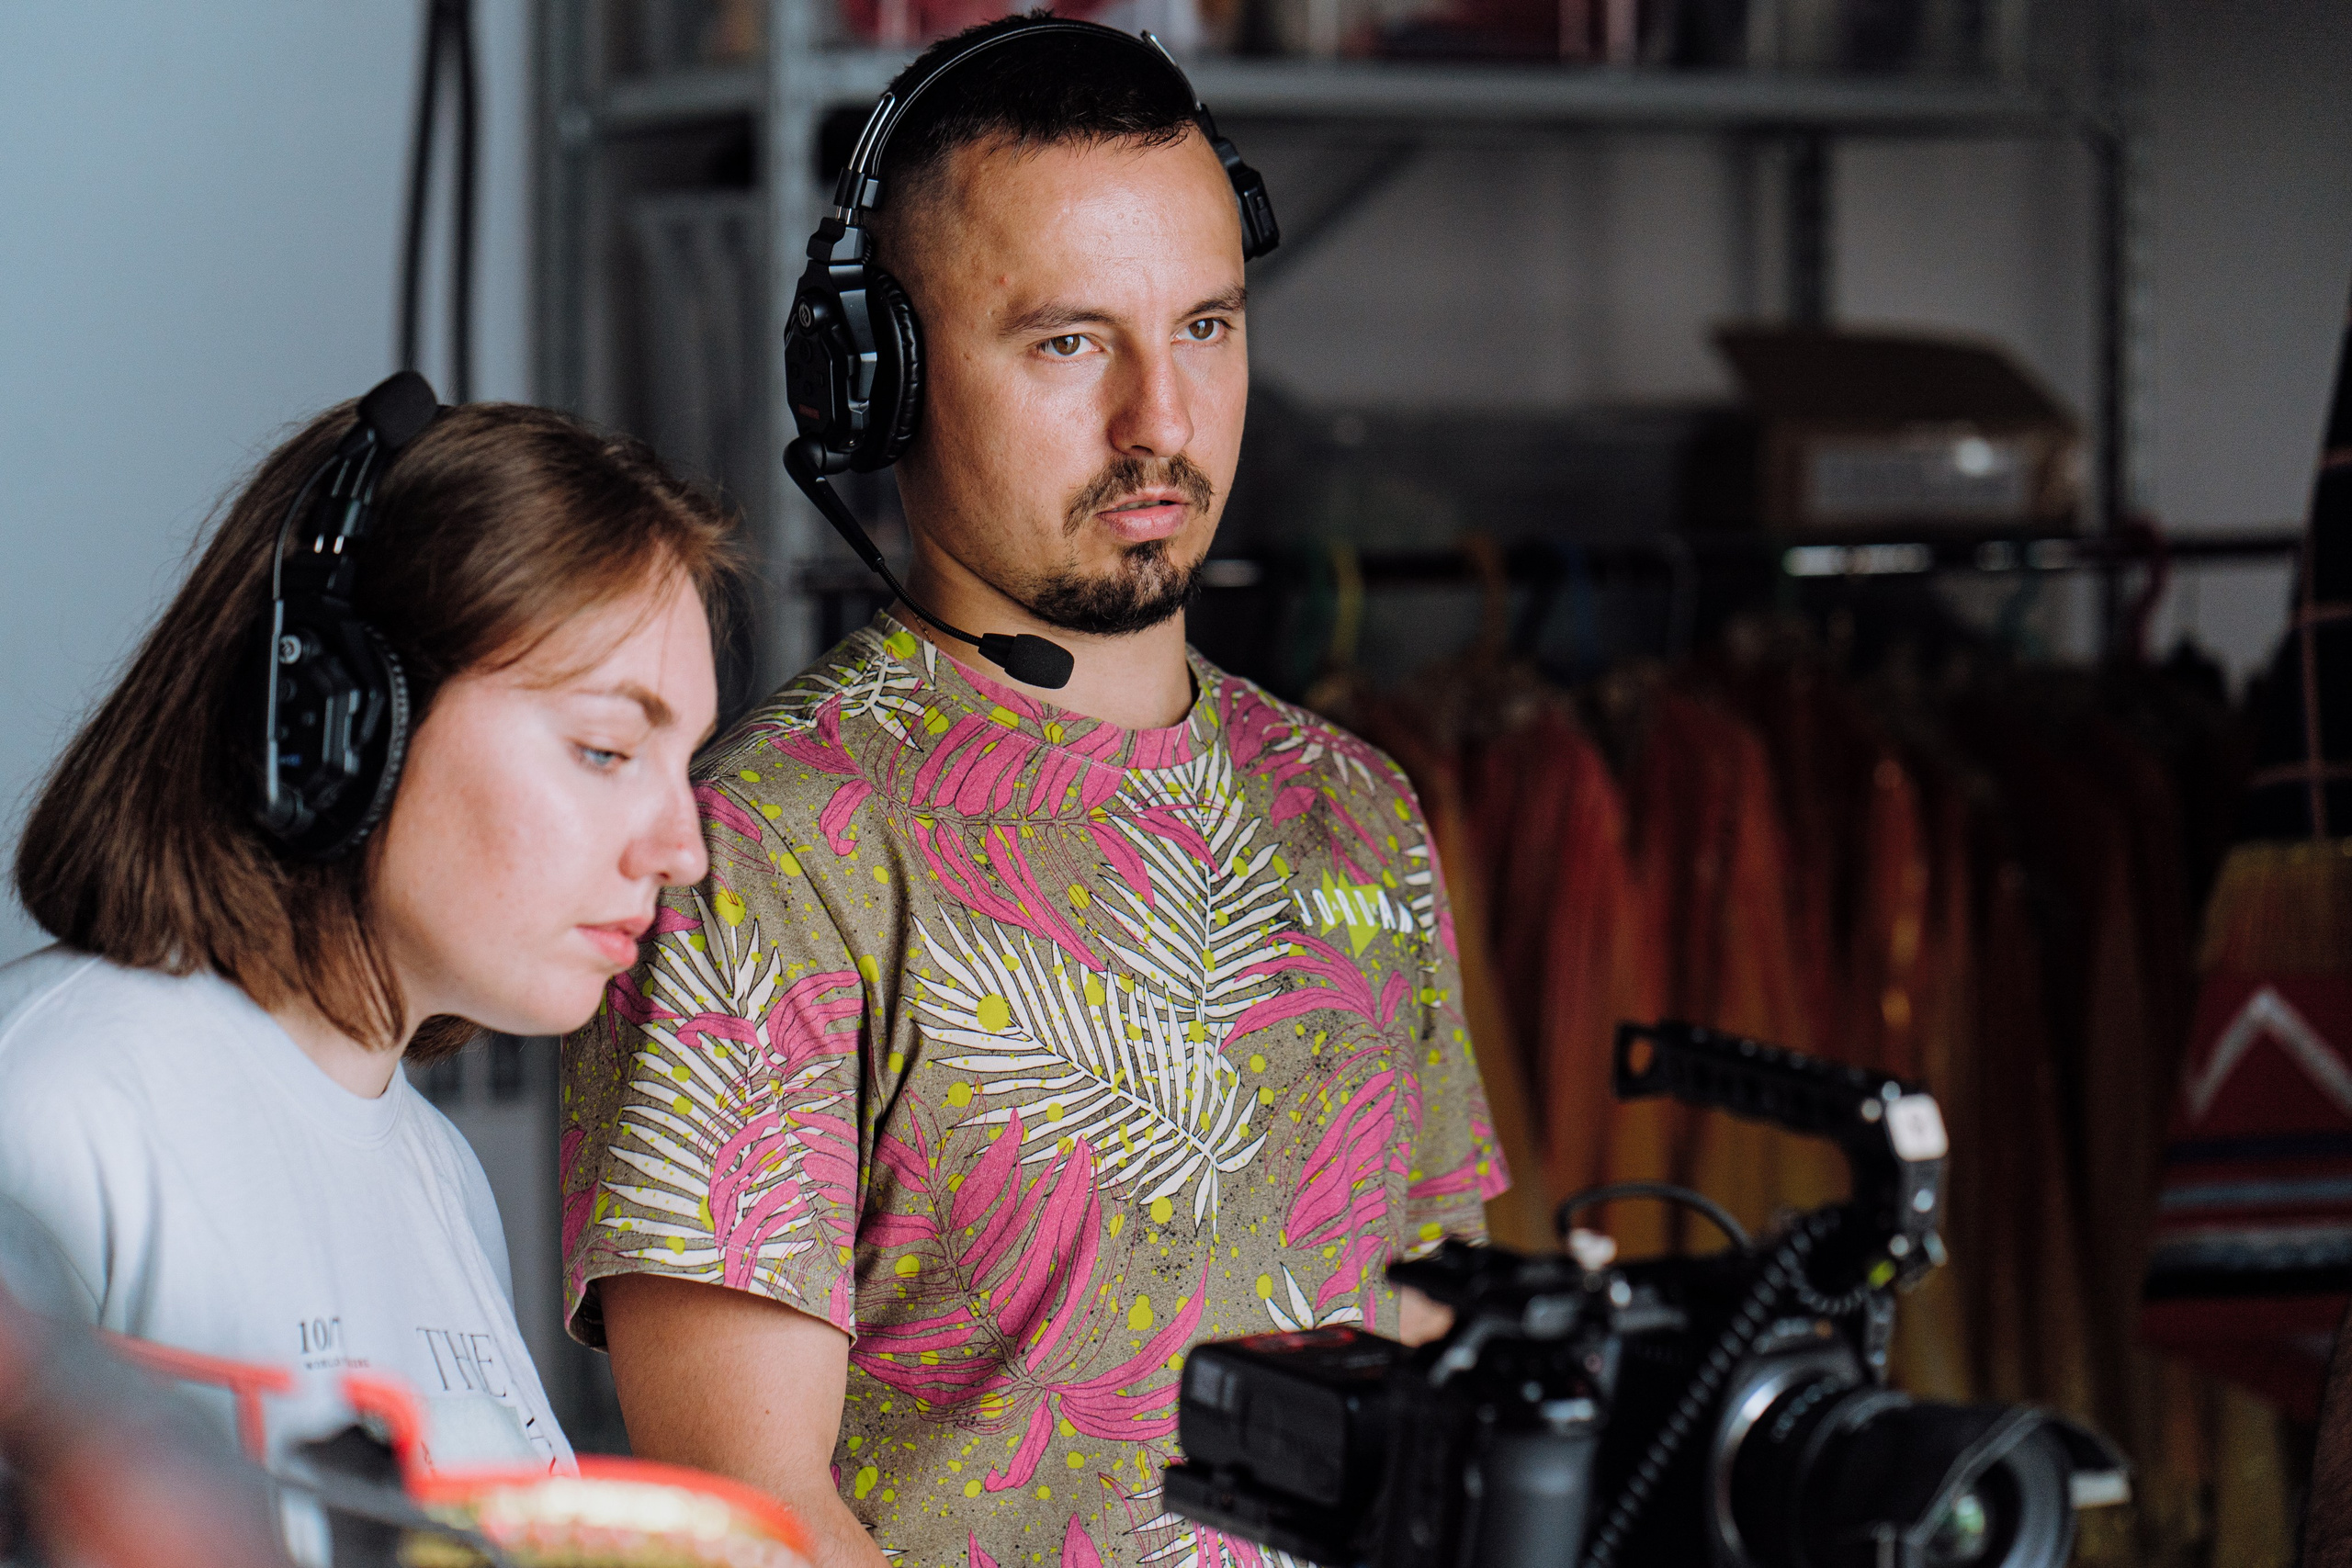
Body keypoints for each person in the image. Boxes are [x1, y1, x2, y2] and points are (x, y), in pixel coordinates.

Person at [560, 17, 1509, 1568]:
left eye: (1205, 326)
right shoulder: (768, 847)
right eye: (1070, 341)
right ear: (882, 381)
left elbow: (1437, 1352)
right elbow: (749, 1524)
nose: (1161, 418)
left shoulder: (1360, 813)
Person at [0, 387, 734, 1474]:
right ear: (336, 724)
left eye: (684, 765)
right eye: (606, 751)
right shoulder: (54, 1104)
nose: (682, 850)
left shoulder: (435, 1174)